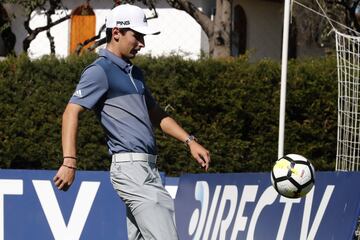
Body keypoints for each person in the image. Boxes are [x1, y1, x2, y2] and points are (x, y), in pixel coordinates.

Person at [53, 4, 210, 240]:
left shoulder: (135, 73)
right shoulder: (99, 71)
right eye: (137, 36)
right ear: (116, 32)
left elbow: (155, 113)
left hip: (148, 170)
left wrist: (189, 141)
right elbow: (70, 113)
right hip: (131, 171)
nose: (142, 44)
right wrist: (69, 162)